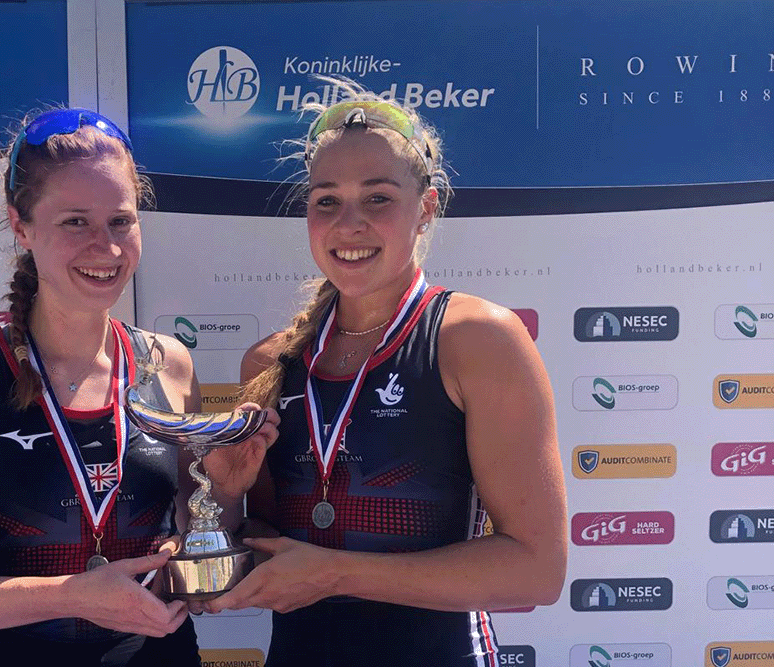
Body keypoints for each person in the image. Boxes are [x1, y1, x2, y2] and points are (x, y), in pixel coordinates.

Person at [0, 108, 275, 666]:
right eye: (75, 222)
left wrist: (222, 492)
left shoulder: (166, 363)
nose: (106, 247)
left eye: (121, 221)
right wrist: (70, 596)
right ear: (22, 226)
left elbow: (190, 560)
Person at [203, 82, 568, 666]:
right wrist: (221, 494)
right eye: (327, 200)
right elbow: (260, 544)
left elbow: (536, 570)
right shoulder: (270, 362)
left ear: (425, 208)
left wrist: (335, 575)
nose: (349, 224)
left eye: (377, 198)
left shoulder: (477, 340)